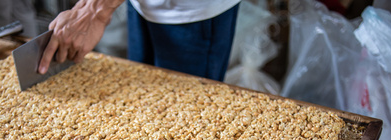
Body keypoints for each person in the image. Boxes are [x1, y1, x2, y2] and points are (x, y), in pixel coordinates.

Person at [39, 0, 241, 81]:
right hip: (142, 5)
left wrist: (95, 10)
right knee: (143, 90)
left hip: (192, 13)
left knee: (188, 112)